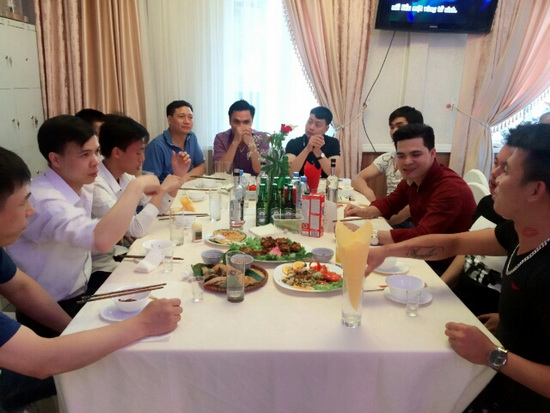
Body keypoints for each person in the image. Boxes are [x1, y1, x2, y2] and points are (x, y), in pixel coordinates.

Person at [365, 123, 550, 411]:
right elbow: (453, 243)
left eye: (506, 170)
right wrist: (385, 251)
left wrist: (493, 354)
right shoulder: (520, 232)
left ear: (535, 189)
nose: (494, 176)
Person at [0, 147, 182, 409]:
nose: (30, 211)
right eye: (22, 203)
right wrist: (144, 323)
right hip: (28, 352)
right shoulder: (49, 202)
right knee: (115, 368)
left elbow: (20, 287)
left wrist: (73, 329)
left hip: (63, 306)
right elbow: (41, 360)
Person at [6, 115, 166, 336]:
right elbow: (100, 240)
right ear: (56, 160)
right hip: (47, 312)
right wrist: (137, 186)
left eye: (97, 152)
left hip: (80, 293)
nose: (95, 161)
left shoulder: (82, 183)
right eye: (84, 154)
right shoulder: (45, 200)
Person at [345, 124, 476, 274]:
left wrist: (367, 233)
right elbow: (390, 203)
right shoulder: (414, 178)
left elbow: (423, 236)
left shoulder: (449, 188)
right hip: (422, 252)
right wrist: (363, 212)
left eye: (416, 154)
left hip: (443, 265)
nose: (407, 162)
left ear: (433, 153)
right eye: (401, 156)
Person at [92, 115, 189, 273]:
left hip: (121, 252)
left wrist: (176, 175)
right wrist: (162, 190)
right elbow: (136, 229)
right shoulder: (96, 186)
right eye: (138, 152)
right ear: (117, 152)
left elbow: (160, 209)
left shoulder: (125, 177)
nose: (143, 158)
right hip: (102, 266)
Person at [442, 140, 516, 316]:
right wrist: (441, 285)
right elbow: (464, 250)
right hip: (458, 300)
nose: (494, 174)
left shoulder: (531, 227)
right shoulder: (487, 204)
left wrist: (505, 319)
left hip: (485, 316)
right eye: (495, 163)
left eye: (506, 169)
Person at [352, 106, 424, 227]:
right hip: (389, 213)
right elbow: (357, 179)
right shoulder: (388, 157)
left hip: (411, 222)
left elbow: (411, 207)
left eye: (400, 126)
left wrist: (382, 221)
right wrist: (371, 197)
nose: (394, 131)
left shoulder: (420, 162)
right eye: (391, 127)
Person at [142, 100, 205, 182]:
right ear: (169, 120)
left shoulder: (191, 137)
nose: (187, 121)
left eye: (190, 117)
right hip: (165, 189)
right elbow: (148, 182)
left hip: (185, 187)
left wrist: (184, 178)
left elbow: (201, 166)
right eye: (181, 116)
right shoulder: (156, 146)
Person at [213, 100, 269, 175]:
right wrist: (235, 142)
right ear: (230, 121)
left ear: (252, 122)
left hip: (254, 182)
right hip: (228, 181)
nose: (241, 127)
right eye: (236, 122)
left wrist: (251, 144)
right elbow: (220, 171)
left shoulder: (262, 138)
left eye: (246, 122)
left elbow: (261, 170)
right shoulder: (221, 138)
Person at [285, 106, 342, 178]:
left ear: (326, 129)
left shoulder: (332, 143)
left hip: (323, 184)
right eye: (310, 121)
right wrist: (307, 149)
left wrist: (319, 153)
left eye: (317, 125)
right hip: (300, 184)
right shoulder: (293, 143)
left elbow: (335, 174)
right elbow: (289, 173)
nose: (311, 127)